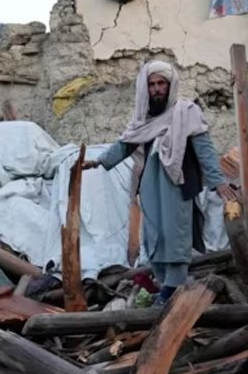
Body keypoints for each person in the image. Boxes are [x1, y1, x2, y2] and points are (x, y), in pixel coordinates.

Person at [85, 61, 235, 305]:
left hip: (177, 182)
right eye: (151, 84)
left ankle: (172, 289)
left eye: (161, 83)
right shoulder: (143, 119)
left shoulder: (186, 112)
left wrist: (218, 182)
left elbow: (204, 148)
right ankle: (166, 284)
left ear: (170, 85)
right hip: (151, 183)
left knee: (176, 234)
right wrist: (99, 161)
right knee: (155, 235)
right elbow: (126, 143)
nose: (156, 89)